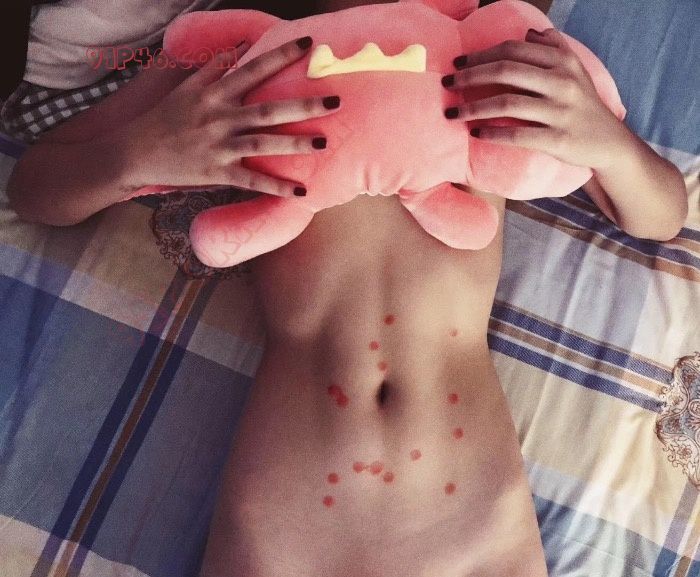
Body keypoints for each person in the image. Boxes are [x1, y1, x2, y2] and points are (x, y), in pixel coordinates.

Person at [4, 0, 688, 575]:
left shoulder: (501, 46)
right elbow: (34, 190)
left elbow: (660, 215)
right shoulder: (245, 54)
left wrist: (606, 141)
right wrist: (141, 153)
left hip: (473, 529)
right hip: (287, 532)